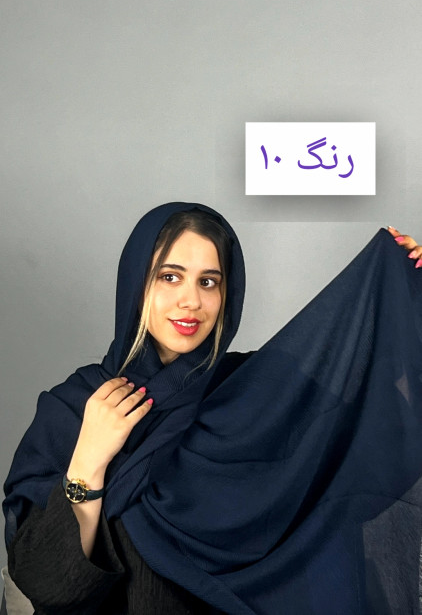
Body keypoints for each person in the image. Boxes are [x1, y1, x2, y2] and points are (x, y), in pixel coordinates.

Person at [2, 203, 422, 615]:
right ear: (136, 283)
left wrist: (409, 297)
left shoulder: (256, 390)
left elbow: (374, 447)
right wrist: (88, 462)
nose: (191, 301)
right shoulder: (76, 407)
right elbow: (50, 587)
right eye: (169, 277)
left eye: (208, 282)